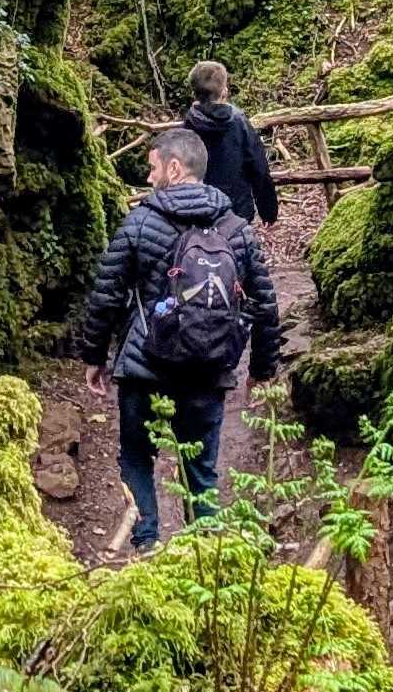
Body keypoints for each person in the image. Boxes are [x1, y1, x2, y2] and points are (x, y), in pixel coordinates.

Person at [75, 120, 282, 549]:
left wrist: (94, 356)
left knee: (136, 457)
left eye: (152, 168)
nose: (148, 178)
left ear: (173, 169)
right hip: (209, 369)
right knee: (202, 470)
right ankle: (201, 555)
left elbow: (107, 294)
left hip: (144, 369)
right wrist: (262, 370)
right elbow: (264, 303)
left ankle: (145, 546)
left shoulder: (140, 223)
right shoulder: (237, 230)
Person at [182, 57, 278, 226]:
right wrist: (268, 210)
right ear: (224, 91)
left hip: (199, 211)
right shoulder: (238, 121)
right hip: (237, 211)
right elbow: (258, 166)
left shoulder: (188, 126)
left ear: (193, 93)